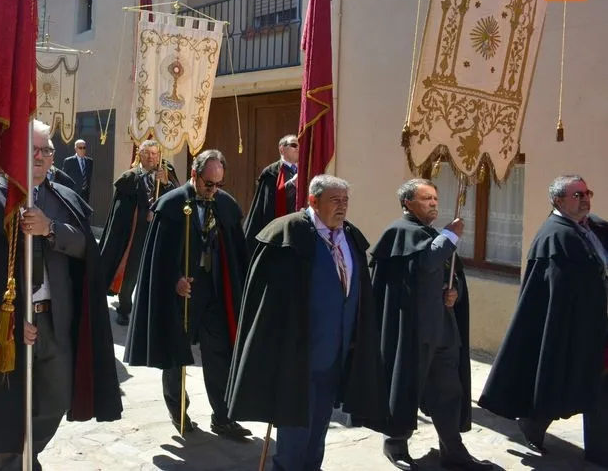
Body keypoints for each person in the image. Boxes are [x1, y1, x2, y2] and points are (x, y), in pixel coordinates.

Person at [0, 120, 122, 469]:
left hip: (55, 321)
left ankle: (30, 453)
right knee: (4, 406)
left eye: (47, 150)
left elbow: (87, 247)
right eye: (33, 150)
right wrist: (11, 320)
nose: (40, 157)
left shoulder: (65, 197)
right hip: (6, 326)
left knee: (56, 399)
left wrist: (50, 229)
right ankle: (11, 463)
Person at [227, 175, 386, 471]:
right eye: (335, 200)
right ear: (313, 200)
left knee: (321, 421)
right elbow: (268, 300)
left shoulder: (350, 236)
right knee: (295, 423)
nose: (342, 207)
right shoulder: (288, 233)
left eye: (345, 201)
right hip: (298, 352)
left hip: (336, 351)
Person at [478, 175, 608, 459]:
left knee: (590, 384)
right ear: (558, 201)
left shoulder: (592, 226)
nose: (585, 199)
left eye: (587, 193)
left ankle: (588, 444)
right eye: (577, 195)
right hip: (574, 325)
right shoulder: (556, 235)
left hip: (596, 323)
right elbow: (560, 289)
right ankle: (535, 423)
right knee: (562, 379)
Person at [124, 149, 251, 439]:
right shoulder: (171, 204)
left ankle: (223, 417)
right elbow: (158, 256)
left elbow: (235, 252)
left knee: (219, 354)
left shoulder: (225, 205)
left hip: (214, 291)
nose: (213, 190)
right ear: (194, 174)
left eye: (219, 184)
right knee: (176, 355)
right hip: (182, 295)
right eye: (209, 183)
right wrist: (175, 279)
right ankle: (178, 410)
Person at [369, 179, 493, 471]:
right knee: (405, 388)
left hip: (443, 329)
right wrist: (450, 235)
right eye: (426, 199)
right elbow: (425, 264)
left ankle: (452, 450)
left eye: (436, 198)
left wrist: (455, 292)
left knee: (449, 391)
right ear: (407, 203)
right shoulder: (399, 232)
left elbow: (451, 275)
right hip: (412, 331)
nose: (434, 203)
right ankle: (395, 443)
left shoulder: (433, 235)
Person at [99, 140, 180, 325]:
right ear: (139, 155)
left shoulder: (166, 173)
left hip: (160, 232)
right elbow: (121, 212)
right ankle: (124, 308)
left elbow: (176, 199)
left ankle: (153, 309)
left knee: (158, 271)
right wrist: (144, 215)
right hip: (136, 234)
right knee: (131, 272)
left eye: (154, 153)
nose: (151, 157)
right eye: (147, 153)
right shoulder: (130, 178)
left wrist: (166, 183)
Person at [243, 134, 299, 252]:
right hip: (278, 225)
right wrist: (291, 184)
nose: (298, 148)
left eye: (300, 146)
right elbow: (269, 202)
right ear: (282, 149)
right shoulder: (272, 171)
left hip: (297, 225)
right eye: (294, 145)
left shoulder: (304, 170)